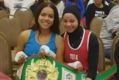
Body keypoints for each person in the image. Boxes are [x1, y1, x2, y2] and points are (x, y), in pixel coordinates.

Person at [62, 5, 99, 80]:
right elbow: (60, 63)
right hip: (68, 76)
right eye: (65, 21)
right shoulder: (62, 37)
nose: (68, 24)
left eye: (72, 21)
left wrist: (89, 78)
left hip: (87, 76)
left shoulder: (91, 38)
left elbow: (92, 70)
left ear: (78, 21)